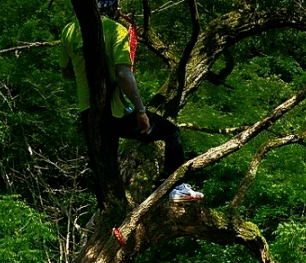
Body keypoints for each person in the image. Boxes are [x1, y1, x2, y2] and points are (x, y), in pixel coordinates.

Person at [59, 0, 203, 206]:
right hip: (114, 112)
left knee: (103, 166)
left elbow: (66, 73)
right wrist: (140, 110)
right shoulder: (115, 29)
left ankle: (107, 212)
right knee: (171, 132)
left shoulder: (68, 30)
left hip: (87, 112)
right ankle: (177, 189)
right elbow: (123, 73)